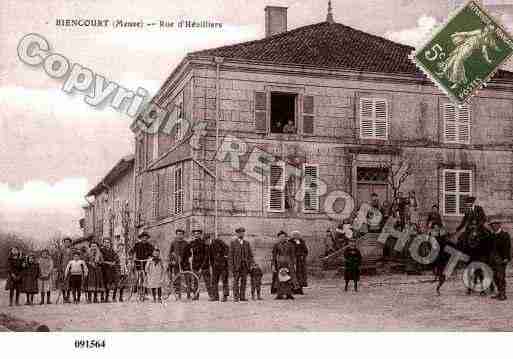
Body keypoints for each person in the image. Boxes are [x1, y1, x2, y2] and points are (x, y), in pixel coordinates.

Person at [229, 227, 254, 302]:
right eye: (240, 232)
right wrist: (231, 267)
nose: (241, 234)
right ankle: (236, 297)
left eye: (243, 232)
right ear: (237, 234)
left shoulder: (247, 243)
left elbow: (250, 255)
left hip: (245, 266)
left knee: (244, 281)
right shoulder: (233, 243)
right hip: (236, 266)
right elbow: (230, 256)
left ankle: (242, 296)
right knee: (236, 282)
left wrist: (251, 264)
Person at [489, 217, 511, 301]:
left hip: (501, 259)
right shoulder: (491, 235)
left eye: (495, 224)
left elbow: (507, 247)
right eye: (492, 225)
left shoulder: (505, 235)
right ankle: (499, 292)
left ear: (499, 225)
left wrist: (506, 258)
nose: (493, 226)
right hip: (492, 259)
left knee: (501, 276)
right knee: (494, 276)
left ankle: (503, 294)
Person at [271, 231, 298, 299]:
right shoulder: (276, 245)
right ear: (278, 238)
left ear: (286, 237)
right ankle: (279, 294)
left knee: (289, 278)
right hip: (279, 263)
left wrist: (294, 264)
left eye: (283, 237)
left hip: (289, 263)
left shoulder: (290, 245)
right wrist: (273, 265)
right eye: (280, 237)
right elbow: (274, 256)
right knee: (279, 279)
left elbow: (293, 255)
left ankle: (289, 294)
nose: (282, 238)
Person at [168, 229, 191, 300]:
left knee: (188, 279)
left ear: (183, 235)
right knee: (177, 279)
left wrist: (185, 258)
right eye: (178, 234)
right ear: (176, 235)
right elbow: (170, 253)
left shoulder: (186, 243)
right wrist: (173, 261)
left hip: (185, 264)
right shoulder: (173, 243)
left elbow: (189, 253)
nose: (179, 235)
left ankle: (188, 294)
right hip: (176, 264)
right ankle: (178, 295)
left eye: (181, 234)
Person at [189, 229, 212, 300]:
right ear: (193, 235)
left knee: (208, 282)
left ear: (200, 235)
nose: (196, 235)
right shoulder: (192, 243)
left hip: (204, 266)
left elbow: (206, 256)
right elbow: (187, 252)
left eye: (198, 234)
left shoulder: (204, 243)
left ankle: (212, 296)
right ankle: (196, 296)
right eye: (195, 234)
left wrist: (202, 267)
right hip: (195, 266)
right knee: (196, 282)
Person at [430, 223, 451, 295]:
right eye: (435, 227)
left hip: (442, 256)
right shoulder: (433, 236)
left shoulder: (442, 235)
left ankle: (438, 286)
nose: (436, 228)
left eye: (437, 227)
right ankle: (437, 281)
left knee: (442, 273)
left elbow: (446, 242)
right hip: (437, 256)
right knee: (439, 270)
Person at [209, 234, 230, 302]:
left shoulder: (218, 241)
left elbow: (227, 247)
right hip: (215, 267)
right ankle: (215, 296)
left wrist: (225, 257)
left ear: (209, 238)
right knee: (214, 281)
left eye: (207, 241)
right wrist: (212, 265)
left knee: (224, 281)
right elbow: (211, 257)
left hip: (223, 266)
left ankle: (225, 296)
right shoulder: (209, 246)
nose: (206, 243)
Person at [100, 239, 120, 303]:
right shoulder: (101, 250)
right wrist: (107, 263)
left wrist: (114, 262)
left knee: (114, 282)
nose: (107, 244)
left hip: (112, 268)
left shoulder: (112, 250)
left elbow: (116, 257)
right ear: (103, 243)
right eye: (105, 242)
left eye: (108, 242)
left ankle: (113, 297)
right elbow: (100, 259)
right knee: (105, 283)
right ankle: (104, 297)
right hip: (104, 268)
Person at [290, 230, 308, 295]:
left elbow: (305, 250)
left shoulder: (302, 241)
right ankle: (293, 289)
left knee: (301, 275)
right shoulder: (290, 242)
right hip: (293, 261)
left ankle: (300, 289)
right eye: (294, 235)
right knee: (293, 275)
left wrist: (303, 255)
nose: (296, 236)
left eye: (297, 235)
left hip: (301, 262)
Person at [56, 237, 74, 303]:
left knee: (70, 283)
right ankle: (64, 297)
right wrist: (59, 268)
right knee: (63, 283)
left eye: (68, 242)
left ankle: (68, 297)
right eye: (65, 242)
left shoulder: (72, 250)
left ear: (70, 243)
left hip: (71, 269)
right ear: (64, 243)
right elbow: (59, 260)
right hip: (63, 269)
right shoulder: (61, 250)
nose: (67, 243)